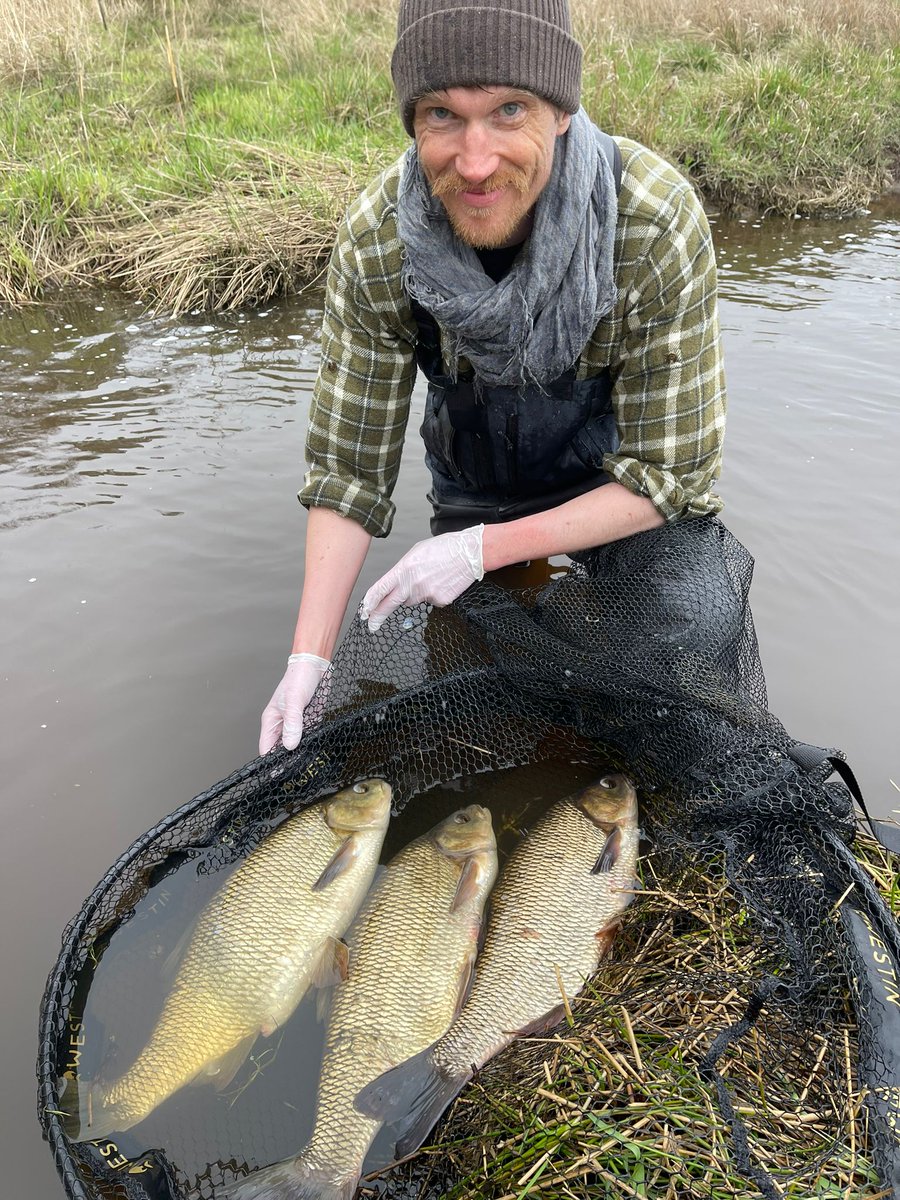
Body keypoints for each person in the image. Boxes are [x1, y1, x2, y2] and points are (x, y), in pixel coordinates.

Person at [259, 0, 727, 756]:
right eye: (443, 115)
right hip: (475, 487)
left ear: (563, 110)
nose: (475, 163)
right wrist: (308, 657)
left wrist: (486, 551)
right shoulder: (381, 240)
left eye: (510, 110)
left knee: (683, 637)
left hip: (618, 489)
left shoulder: (653, 222)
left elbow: (671, 474)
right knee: (482, 704)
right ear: (411, 120)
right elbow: (348, 475)